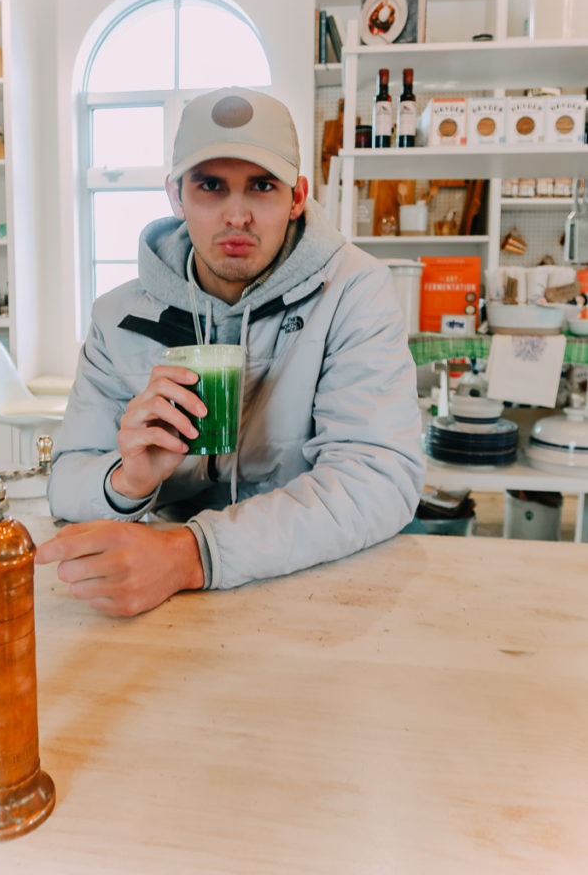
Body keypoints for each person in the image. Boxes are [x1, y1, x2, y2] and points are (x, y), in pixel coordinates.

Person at [36, 87, 424, 615]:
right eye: (211, 186)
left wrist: (189, 554)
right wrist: (128, 480)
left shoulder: (354, 292)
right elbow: (67, 483)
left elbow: (379, 478)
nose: (236, 215)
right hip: (152, 597)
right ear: (176, 195)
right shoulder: (117, 316)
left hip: (307, 590)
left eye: (261, 186)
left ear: (296, 197)